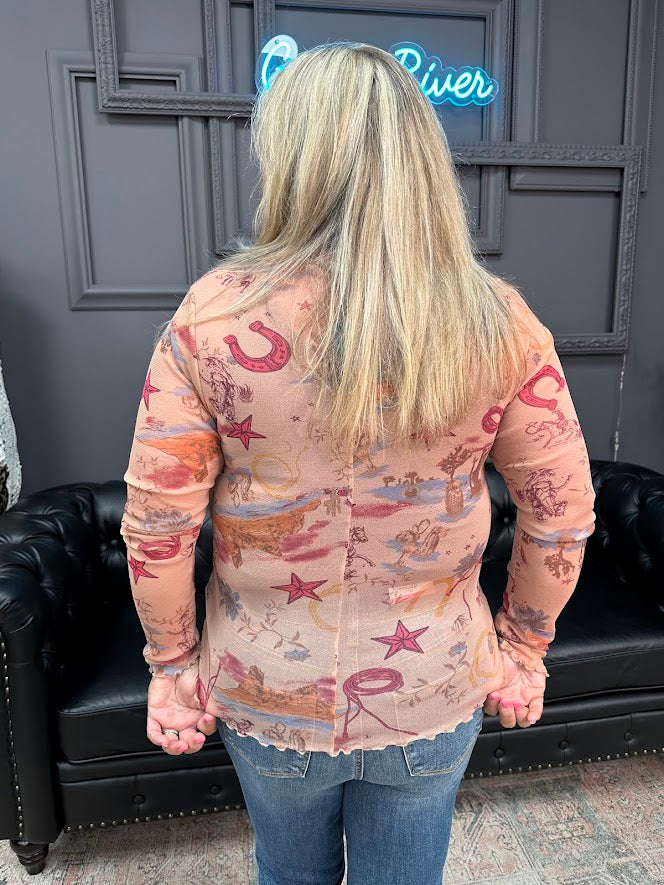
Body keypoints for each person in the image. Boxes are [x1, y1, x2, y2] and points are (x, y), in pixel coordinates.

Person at [119, 41, 596, 885]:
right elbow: (561, 512)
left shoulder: (213, 316)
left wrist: (171, 667)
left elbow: (157, 528)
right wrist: (523, 651)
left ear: (290, 157)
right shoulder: (500, 322)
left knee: (287, 874)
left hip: (266, 686)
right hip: (432, 684)